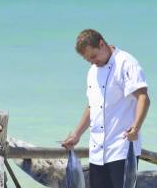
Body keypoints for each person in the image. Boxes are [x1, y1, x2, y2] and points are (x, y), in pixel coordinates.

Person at [61, 29, 150, 188]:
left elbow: (143, 97)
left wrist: (135, 128)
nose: (92, 62)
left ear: (102, 44)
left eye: (94, 56)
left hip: (122, 149)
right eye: (88, 60)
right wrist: (76, 134)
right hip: (97, 151)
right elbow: (92, 106)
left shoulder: (126, 63)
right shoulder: (92, 71)